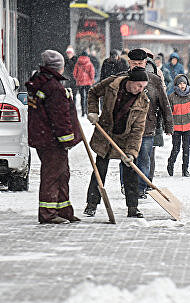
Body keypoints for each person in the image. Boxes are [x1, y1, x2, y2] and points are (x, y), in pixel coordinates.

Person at [84, 66, 150, 219]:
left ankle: (132, 208)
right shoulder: (112, 84)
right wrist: (93, 111)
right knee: (99, 169)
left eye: (144, 87)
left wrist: (132, 153)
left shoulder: (143, 101)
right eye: (139, 85)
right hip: (105, 133)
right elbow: (93, 92)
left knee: (130, 170)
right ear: (130, 81)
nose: (141, 89)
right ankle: (91, 205)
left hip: (125, 138)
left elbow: (138, 130)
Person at [26, 50, 82, 224]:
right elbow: (59, 117)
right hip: (52, 141)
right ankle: (48, 214)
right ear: (59, 67)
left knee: (62, 174)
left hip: (43, 137)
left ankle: (64, 211)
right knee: (52, 176)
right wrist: (67, 139)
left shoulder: (39, 82)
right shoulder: (54, 87)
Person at [119, 49, 173, 199]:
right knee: (127, 159)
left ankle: (141, 188)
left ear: (146, 63)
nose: (137, 66)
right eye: (134, 63)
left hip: (148, 126)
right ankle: (126, 186)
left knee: (144, 159)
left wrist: (168, 125)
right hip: (126, 128)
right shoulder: (121, 79)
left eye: (140, 63)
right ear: (129, 63)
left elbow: (164, 103)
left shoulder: (154, 80)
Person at [167, 74, 190, 177]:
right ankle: (170, 164)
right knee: (176, 148)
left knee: (186, 148)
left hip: (187, 126)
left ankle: (185, 170)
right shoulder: (171, 97)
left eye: (184, 83)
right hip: (176, 127)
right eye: (180, 83)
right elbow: (169, 114)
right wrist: (168, 127)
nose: (182, 85)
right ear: (176, 85)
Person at [73, 50, 95, 117]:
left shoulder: (77, 63)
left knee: (82, 97)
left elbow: (74, 73)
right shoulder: (89, 63)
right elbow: (92, 73)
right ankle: (88, 111)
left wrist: (78, 78)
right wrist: (91, 79)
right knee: (88, 97)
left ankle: (83, 112)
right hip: (88, 82)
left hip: (80, 83)